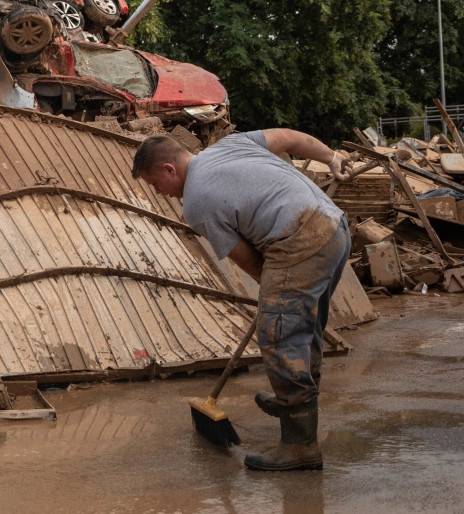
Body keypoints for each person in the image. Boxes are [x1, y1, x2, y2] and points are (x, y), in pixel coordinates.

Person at [130, 129, 353, 471]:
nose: (159, 193)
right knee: (304, 327)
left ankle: (300, 445)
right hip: (335, 229)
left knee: (280, 336)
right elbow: (289, 137)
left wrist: (275, 300)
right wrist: (330, 156)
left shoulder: (196, 203)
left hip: (299, 241)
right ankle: (293, 402)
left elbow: (248, 260)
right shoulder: (230, 145)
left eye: (155, 184)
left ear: (169, 170)